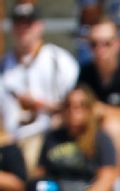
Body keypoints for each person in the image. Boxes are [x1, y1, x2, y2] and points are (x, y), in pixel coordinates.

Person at [35, 86, 119, 191]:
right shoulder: (52, 138)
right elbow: (40, 175)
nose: (74, 111)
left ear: (90, 109)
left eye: (81, 106)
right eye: (69, 105)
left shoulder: (101, 139)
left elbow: (106, 180)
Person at [1, 3, 80, 169]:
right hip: (9, 140)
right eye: (18, 24)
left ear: (39, 26)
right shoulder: (4, 65)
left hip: (47, 136)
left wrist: (39, 104)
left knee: (30, 155)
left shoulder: (58, 60)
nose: (23, 29)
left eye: (28, 24)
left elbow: (76, 105)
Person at [77, 18, 120, 181]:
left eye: (106, 43)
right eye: (94, 44)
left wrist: (102, 110)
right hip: (93, 128)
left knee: (113, 127)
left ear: (118, 44)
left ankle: (115, 185)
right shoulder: (85, 73)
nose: (100, 49)